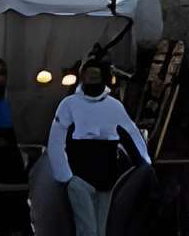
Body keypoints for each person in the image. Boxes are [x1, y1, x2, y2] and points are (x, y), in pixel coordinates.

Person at [47, 54, 152, 236]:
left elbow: (132, 134)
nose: (93, 79)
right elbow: (56, 139)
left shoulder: (114, 107)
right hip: (79, 179)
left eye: (96, 75)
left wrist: (145, 163)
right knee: (87, 229)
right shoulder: (69, 105)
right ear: (82, 77)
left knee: (102, 231)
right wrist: (65, 175)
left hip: (106, 182)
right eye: (89, 75)